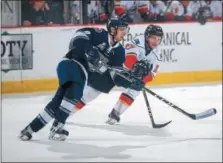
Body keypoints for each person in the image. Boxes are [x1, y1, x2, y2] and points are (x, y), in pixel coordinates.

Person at [19, 18, 148, 141]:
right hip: (71, 63)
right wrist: (89, 49)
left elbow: (116, 75)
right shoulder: (99, 34)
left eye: (125, 30)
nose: (124, 33)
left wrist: (131, 82)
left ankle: (30, 130)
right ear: (112, 29)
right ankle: (58, 125)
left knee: (58, 101)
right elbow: (78, 36)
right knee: (75, 92)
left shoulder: (119, 52)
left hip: (82, 74)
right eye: (121, 29)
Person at [106, 24, 164, 125]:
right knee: (95, 89)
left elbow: (153, 72)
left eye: (159, 39)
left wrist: (142, 80)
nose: (156, 42)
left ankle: (115, 114)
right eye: (154, 38)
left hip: (133, 74)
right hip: (120, 69)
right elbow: (128, 61)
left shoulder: (157, 51)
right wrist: (137, 68)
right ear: (147, 36)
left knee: (135, 89)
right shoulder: (137, 41)